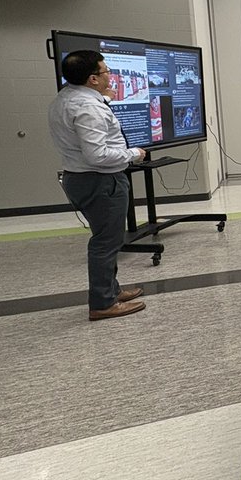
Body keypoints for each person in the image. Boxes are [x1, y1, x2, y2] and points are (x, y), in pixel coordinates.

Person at [47, 50, 148, 321]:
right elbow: (97, 155)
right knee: (106, 241)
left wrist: (105, 99)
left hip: (81, 178)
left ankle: (111, 290)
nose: (109, 75)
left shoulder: (66, 98)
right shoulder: (88, 108)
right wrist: (134, 154)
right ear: (92, 78)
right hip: (101, 180)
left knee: (106, 237)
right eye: (106, 71)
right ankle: (103, 303)